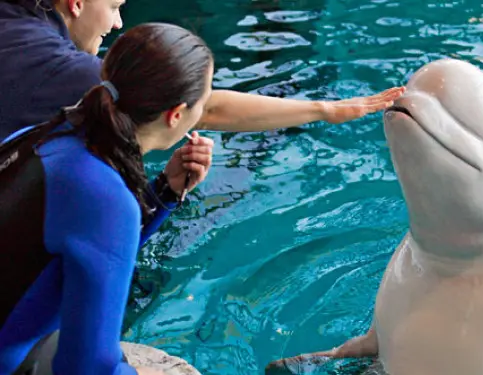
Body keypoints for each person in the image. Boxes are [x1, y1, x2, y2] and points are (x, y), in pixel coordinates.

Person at [0, 0, 405, 245]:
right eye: (115, 8)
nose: (117, 24)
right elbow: (207, 108)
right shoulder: (70, 76)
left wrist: (166, 191)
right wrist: (326, 110)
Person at [0, 22, 215, 375]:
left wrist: (166, 191)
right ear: (176, 115)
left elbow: (77, 237)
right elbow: (86, 367)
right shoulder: (105, 198)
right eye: (204, 101)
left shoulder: (48, 133)